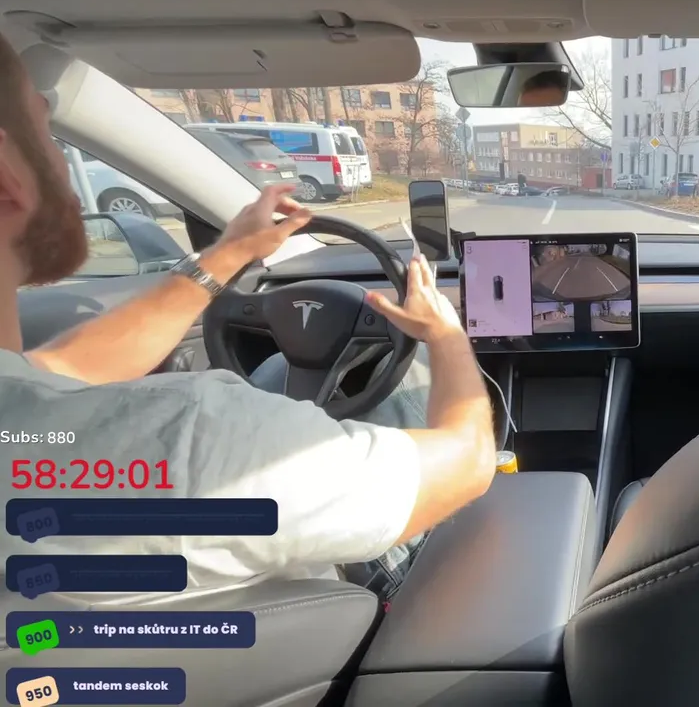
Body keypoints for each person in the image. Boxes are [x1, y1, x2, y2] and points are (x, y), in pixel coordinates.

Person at [0, 34, 497, 605]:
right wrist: (445, 335)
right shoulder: (195, 441)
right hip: (342, 642)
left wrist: (227, 255)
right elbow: (469, 460)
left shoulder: (28, 417)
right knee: (417, 381)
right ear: (6, 176)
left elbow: (57, 373)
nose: (63, 158)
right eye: (47, 129)